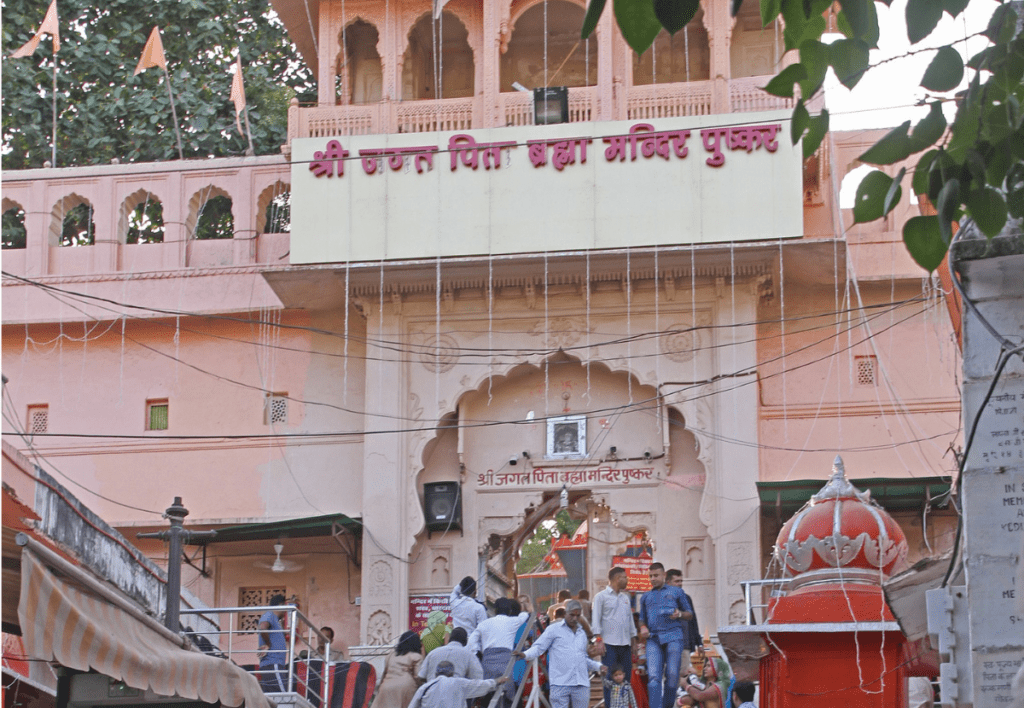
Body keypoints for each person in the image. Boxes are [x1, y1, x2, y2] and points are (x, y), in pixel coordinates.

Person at [516, 600, 606, 708]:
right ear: (565, 614)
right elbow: (539, 647)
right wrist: (525, 654)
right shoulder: (553, 630)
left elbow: (583, 658)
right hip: (560, 682)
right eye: (571, 615)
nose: (574, 618)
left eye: (577, 615)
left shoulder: (581, 633)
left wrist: (598, 666)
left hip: (581, 683)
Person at [639, 563, 694, 708]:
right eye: (650, 576)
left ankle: (667, 706)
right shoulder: (645, 597)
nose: (652, 579)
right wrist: (643, 627)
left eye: (655, 575)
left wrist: (680, 614)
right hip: (653, 638)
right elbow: (641, 619)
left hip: (674, 636)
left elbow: (689, 614)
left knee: (672, 676)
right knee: (654, 678)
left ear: (664, 575)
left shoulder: (677, 592)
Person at [468, 598, 530, 708]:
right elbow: (524, 615)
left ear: (495, 610)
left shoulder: (484, 623)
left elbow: (472, 641)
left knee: (487, 694)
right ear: (510, 611)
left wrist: (477, 652)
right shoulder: (513, 621)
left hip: (487, 664)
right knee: (507, 697)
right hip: (506, 664)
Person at [592, 567, 637, 708]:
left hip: (625, 645)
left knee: (626, 680)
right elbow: (596, 621)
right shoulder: (600, 597)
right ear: (617, 578)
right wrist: (599, 641)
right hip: (609, 645)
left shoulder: (626, 598)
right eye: (625, 577)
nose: (627, 580)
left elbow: (630, 622)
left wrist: (634, 641)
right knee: (610, 681)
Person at [408, 661, 507, 708]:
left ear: (436, 674)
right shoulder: (459, 683)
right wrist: (497, 681)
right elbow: (479, 685)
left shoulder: (425, 687)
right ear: (451, 673)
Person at [371, 631, 423, 708]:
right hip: (405, 687)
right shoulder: (416, 656)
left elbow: (384, 673)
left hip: (386, 687)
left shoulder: (391, 655)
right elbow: (418, 676)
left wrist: (380, 687)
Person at [418, 628, 483, 682]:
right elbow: (478, 678)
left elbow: (421, 676)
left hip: (431, 693)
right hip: (455, 694)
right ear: (466, 641)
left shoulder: (433, 653)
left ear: (449, 639)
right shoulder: (469, 655)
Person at [257, 593, 290, 692]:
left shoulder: (275, 619)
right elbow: (263, 627)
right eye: (284, 606)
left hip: (273, 664)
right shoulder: (270, 614)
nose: (285, 610)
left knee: (273, 698)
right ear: (281, 605)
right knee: (283, 696)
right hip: (273, 663)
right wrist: (268, 644)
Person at [665, 570, 700, 653]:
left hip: (685, 645)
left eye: (681, 581)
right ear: (668, 582)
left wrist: (699, 643)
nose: (680, 583)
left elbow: (693, 621)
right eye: (677, 581)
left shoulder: (686, 598)